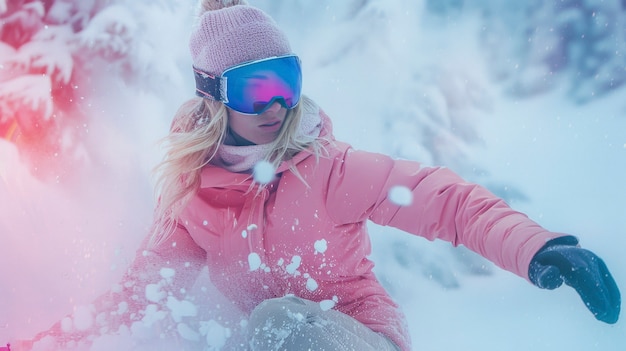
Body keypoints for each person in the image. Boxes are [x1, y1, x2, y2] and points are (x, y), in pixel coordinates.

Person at [14, 1, 620, 350]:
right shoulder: (194, 202)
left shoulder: (327, 170)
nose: (279, 106)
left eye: (287, 82)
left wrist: (544, 249)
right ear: (212, 100)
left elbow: (448, 202)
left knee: (277, 321)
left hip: (358, 341)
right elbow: (135, 302)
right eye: (256, 88)